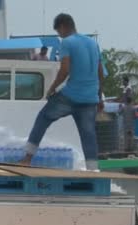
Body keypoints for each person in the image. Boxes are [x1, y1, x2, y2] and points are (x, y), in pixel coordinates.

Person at [21, 14, 103, 170]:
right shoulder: (93, 43)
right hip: (90, 98)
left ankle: (27, 159)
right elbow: (100, 72)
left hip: (71, 96)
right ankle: (93, 169)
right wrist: (99, 98)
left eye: (59, 32)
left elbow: (65, 70)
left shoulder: (67, 42)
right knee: (88, 135)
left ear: (63, 26)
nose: (60, 35)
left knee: (43, 117)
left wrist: (52, 89)